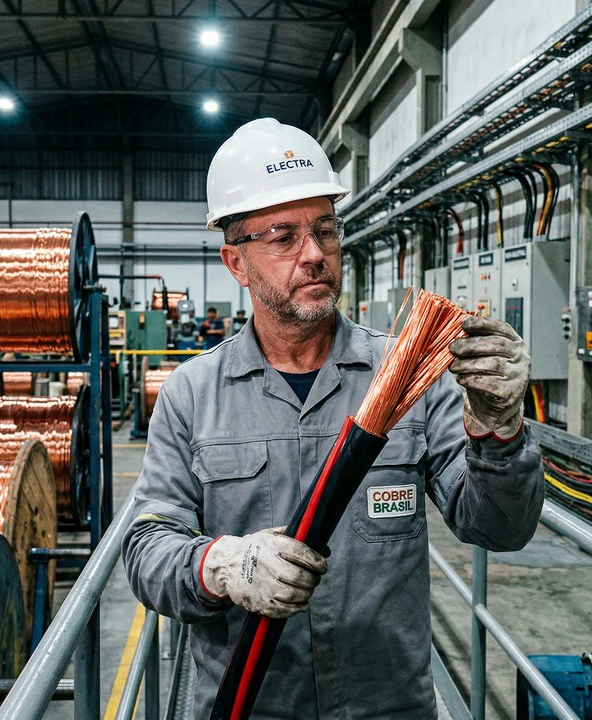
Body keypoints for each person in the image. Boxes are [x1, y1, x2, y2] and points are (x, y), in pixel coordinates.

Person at [122, 118, 543, 719]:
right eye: (283, 237)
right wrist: (224, 565)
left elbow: (500, 529)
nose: (314, 254)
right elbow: (146, 549)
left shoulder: (406, 380)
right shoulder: (193, 395)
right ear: (236, 263)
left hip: (388, 707)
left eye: (325, 230)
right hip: (252, 708)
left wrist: (499, 429)